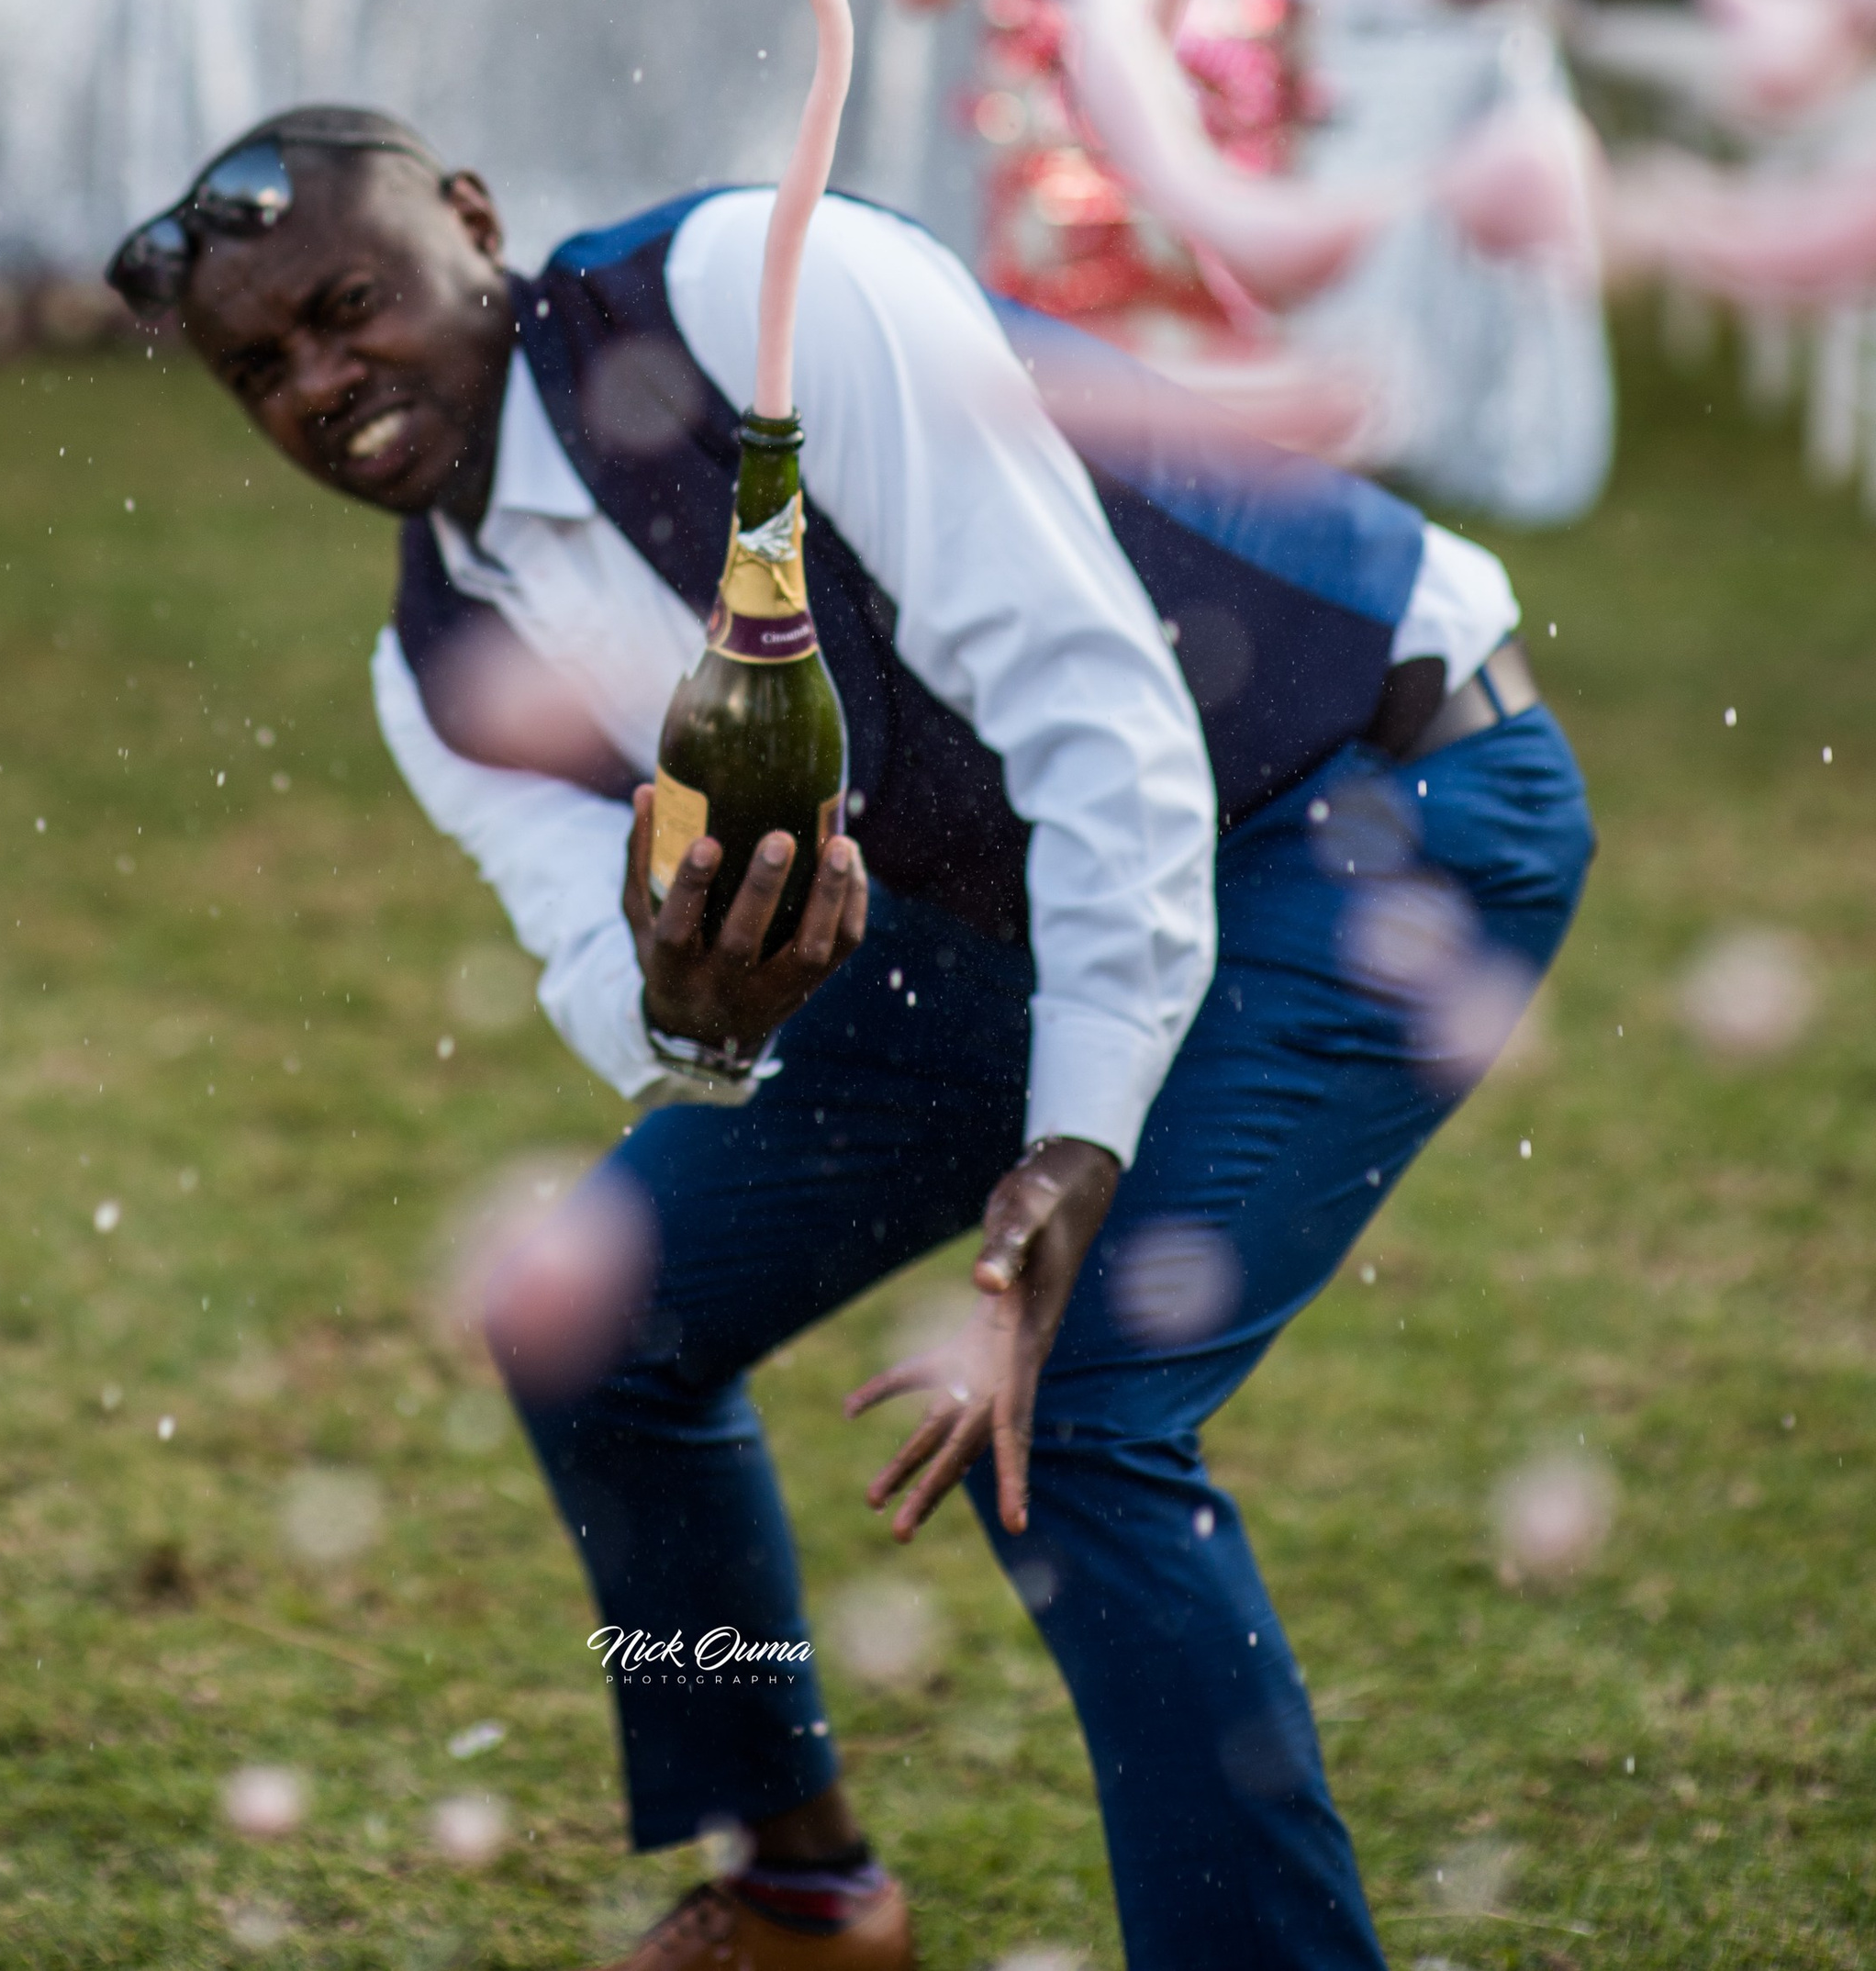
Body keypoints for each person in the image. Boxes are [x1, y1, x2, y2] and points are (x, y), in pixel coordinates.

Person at [108, 105, 1593, 1971]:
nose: (325, 379)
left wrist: (1072, 1137)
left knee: (1076, 1427)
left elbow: (1092, 689)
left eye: (348, 303)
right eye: (262, 366)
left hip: (1372, 799)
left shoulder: (755, 297)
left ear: (472, 222)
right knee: (592, 1321)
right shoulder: (435, 675)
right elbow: (612, 981)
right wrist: (691, 1012)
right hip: (997, 909)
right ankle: (802, 1884)